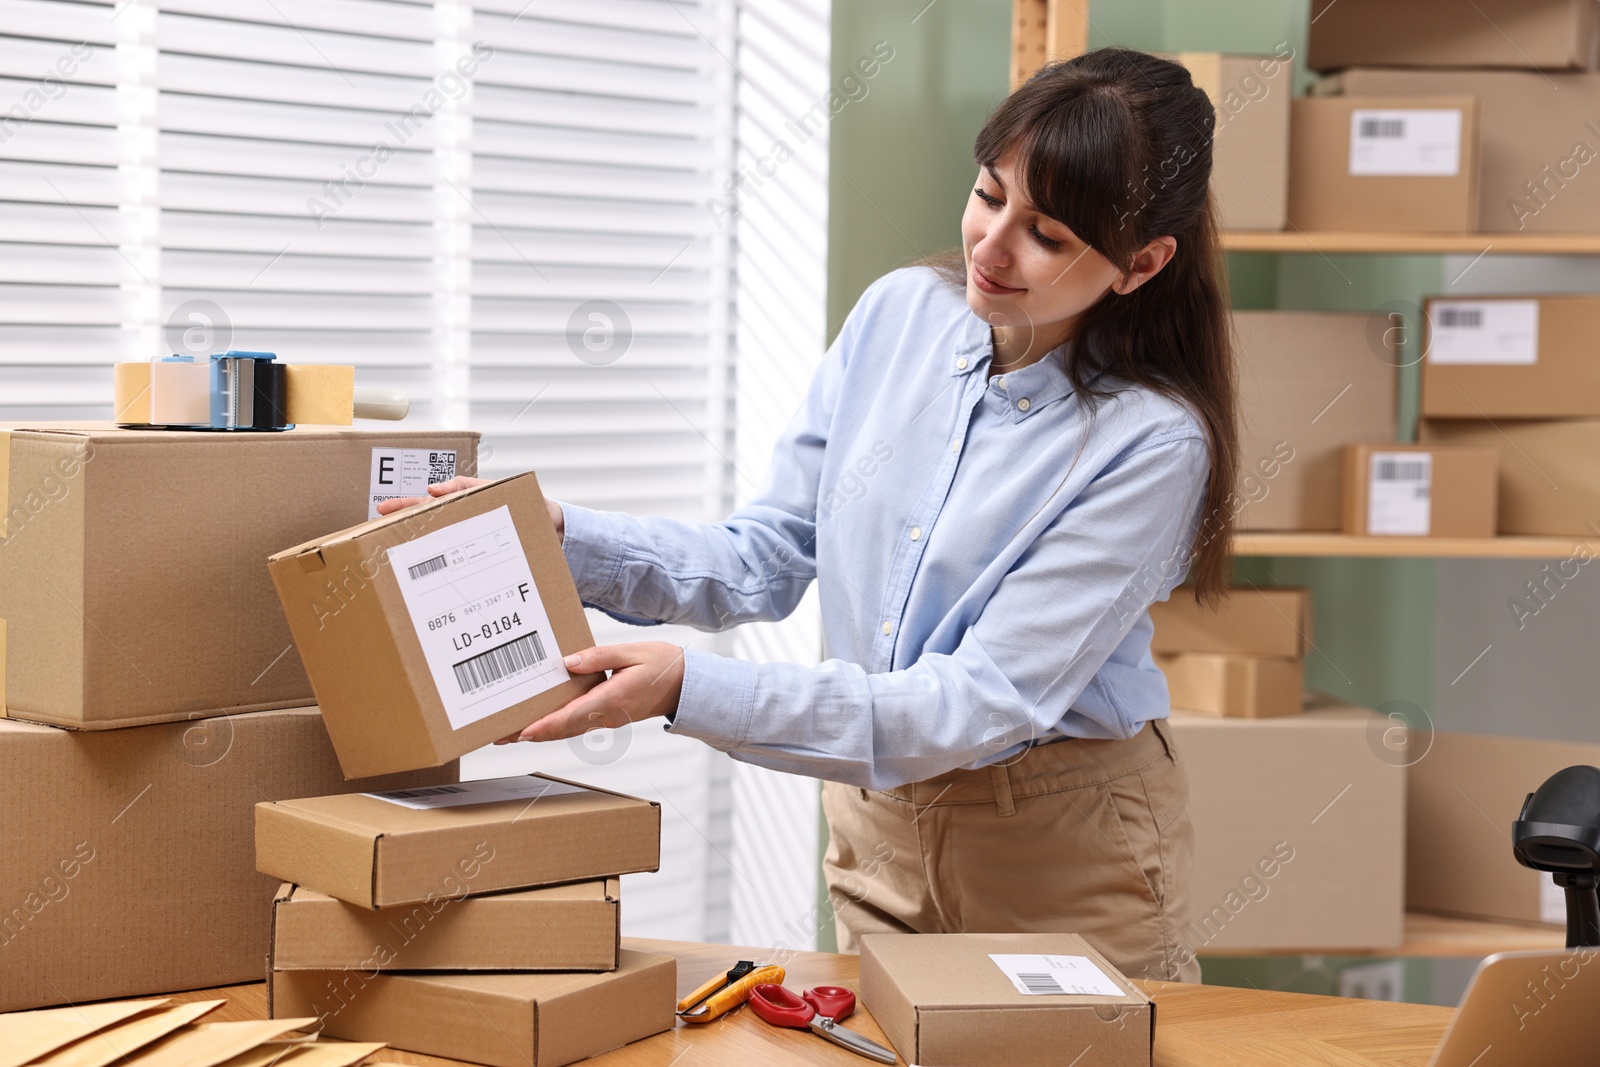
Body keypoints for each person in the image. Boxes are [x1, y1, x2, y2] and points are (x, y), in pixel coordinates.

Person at [380, 46, 1237, 984]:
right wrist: (557, 537)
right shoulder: (899, 317)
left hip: (1061, 841)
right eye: (990, 195)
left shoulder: (1150, 443)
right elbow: (768, 554)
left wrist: (683, 689)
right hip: (876, 823)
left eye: (1048, 234)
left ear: (1141, 264)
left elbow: (977, 704)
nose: (990, 247)